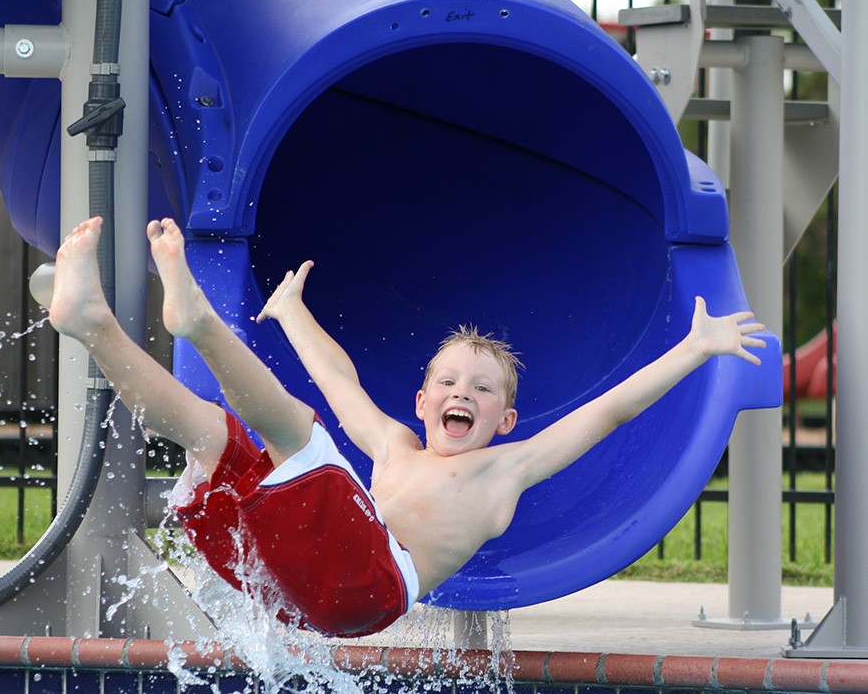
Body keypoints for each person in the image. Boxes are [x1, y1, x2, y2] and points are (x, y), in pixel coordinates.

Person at [49, 215, 767, 638]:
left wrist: (693, 348)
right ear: (421, 402)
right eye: (448, 383)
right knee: (211, 435)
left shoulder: (502, 471)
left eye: (481, 391)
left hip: (370, 588)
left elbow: (608, 411)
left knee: (296, 433)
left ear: (505, 420)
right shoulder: (393, 448)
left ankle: (200, 324)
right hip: (290, 586)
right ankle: (94, 327)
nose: (463, 394)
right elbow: (339, 379)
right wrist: (293, 312)